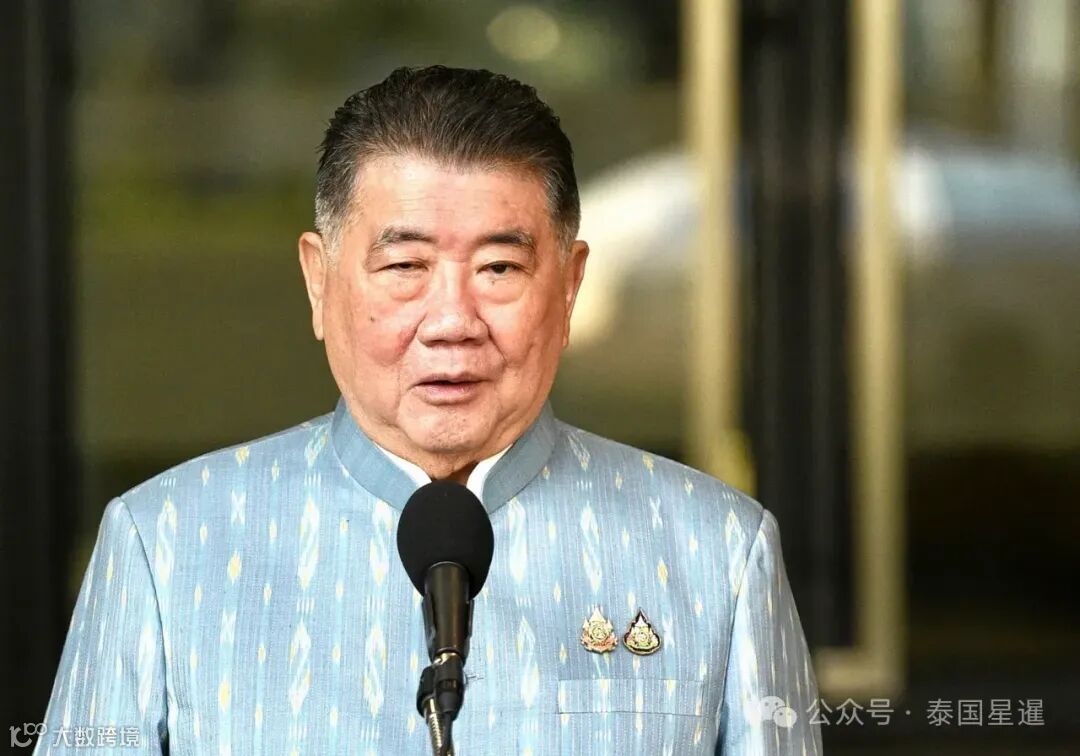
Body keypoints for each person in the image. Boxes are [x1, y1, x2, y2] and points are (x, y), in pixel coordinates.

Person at [36, 65, 822, 755]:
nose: (452, 320)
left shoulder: (716, 550)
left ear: (570, 284)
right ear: (319, 281)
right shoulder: (165, 544)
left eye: (499, 267)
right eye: (405, 264)